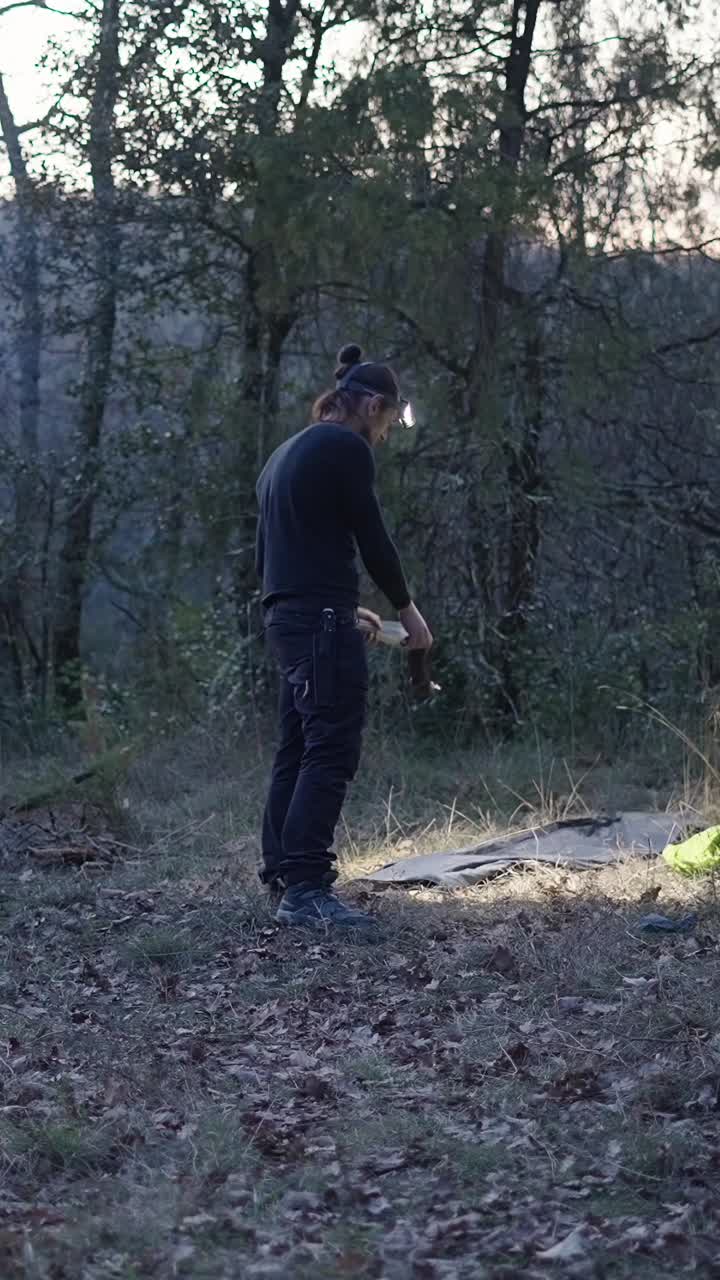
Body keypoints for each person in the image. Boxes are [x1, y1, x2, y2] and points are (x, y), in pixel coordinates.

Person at [255, 343, 433, 929]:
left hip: (289, 616)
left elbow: (287, 553)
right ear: (374, 406)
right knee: (331, 748)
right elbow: (372, 537)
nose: (384, 435)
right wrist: (406, 611)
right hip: (317, 622)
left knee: (298, 747)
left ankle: (283, 871)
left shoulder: (285, 453)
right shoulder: (344, 447)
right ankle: (306, 890)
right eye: (388, 422)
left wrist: (336, 604)